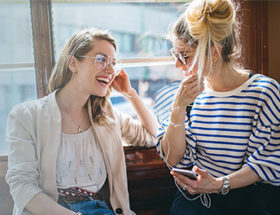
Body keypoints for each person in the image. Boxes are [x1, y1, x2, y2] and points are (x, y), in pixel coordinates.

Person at [5, 28, 157, 215]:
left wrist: (130, 94)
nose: (110, 70)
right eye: (101, 59)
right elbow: (22, 186)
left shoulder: (107, 116)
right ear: (73, 64)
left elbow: (152, 135)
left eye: (113, 63)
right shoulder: (26, 116)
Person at [156, 0, 280, 214]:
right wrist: (178, 107)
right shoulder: (188, 95)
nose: (177, 64)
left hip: (245, 202)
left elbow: (266, 161)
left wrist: (219, 184)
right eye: (174, 54)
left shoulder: (263, 92)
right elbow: (172, 158)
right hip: (194, 202)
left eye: (184, 56)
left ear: (213, 53)